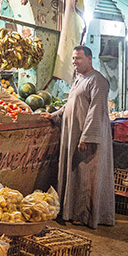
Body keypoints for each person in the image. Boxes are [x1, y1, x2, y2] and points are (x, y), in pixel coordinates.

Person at [42, 45, 115, 228]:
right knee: (75, 174)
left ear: (89, 59)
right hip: (73, 134)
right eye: (73, 59)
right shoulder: (79, 79)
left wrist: (87, 137)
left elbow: (96, 111)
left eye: (79, 58)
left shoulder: (97, 81)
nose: (75, 62)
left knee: (86, 176)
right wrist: (53, 116)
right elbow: (70, 104)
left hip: (86, 137)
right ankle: (72, 212)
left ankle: (87, 215)